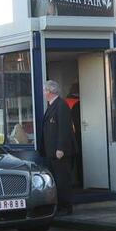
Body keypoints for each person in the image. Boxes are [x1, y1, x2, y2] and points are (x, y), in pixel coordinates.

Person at [39, 80, 76, 215]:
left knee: (63, 179)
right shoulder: (51, 105)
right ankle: (59, 206)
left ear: (49, 92)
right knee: (56, 179)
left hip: (60, 152)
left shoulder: (61, 105)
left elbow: (64, 129)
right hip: (51, 151)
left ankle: (66, 207)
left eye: (44, 91)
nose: (43, 93)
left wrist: (61, 148)